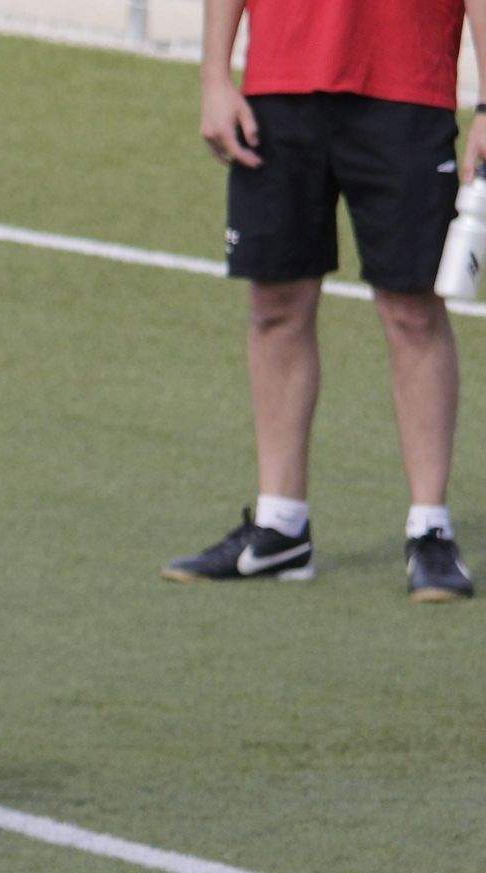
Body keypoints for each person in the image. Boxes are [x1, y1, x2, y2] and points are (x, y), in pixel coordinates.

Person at [168, 0, 479, 600]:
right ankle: (280, 526)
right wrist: (214, 77)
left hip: (405, 88)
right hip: (279, 85)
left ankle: (430, 529)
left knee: (412, 311)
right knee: (275, 304)